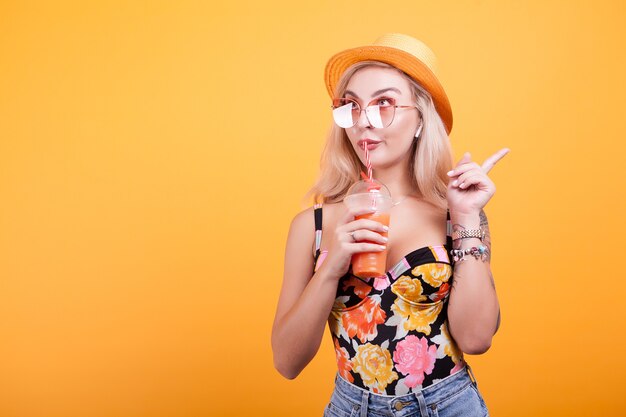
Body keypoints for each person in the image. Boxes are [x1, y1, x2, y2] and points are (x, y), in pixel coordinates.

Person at [272, 33, 508, 417]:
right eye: (352, 105)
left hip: (449, 406)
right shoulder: (312, 226)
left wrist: (466, 217)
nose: (365, 121)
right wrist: (331, 268)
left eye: (384, 103)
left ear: (420, 120)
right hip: (353, 407)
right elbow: (286, 362)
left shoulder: (456, 214)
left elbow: (477, 338)